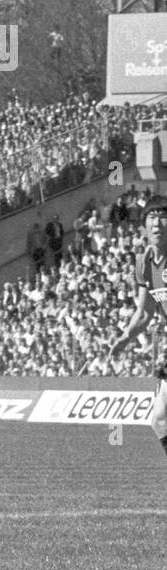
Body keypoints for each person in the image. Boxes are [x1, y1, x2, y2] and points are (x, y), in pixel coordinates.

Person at [108, 195, 167, 461]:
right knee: (159, 421)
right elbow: (144, 313)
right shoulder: (143, 263)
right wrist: (124, 338)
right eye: (152, 218)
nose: (158, 224)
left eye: (163, 217)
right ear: (143, 227)